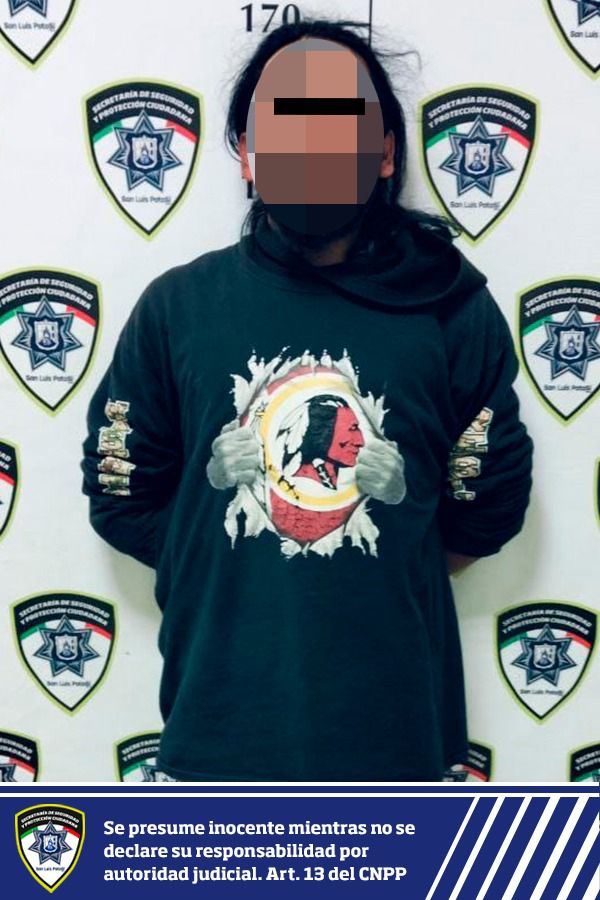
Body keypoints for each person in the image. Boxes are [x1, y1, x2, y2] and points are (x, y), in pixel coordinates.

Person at [81, 19, 533, 781]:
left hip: (398, 747)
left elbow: (486, 511)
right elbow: (123, 499)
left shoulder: (451, 306)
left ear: (384, 153)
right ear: (247, 154)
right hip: (218, 742)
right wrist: (224, 521)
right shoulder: (178, 309)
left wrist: (393, 510)